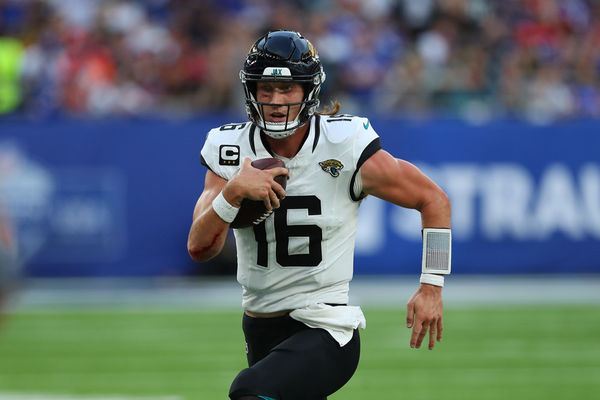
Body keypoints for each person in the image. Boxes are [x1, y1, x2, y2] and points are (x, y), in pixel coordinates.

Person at [187, 30, 452, 400]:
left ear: (308, 91)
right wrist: (231, 193)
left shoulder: (343, 145)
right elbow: (199, 247)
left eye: (288, 89)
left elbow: (434, 200)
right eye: (266, 89)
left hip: (325, 326)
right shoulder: (229, 148)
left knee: (248, 392)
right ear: (251, 91)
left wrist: (432, 286)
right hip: (259, 325)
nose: (276, 101)